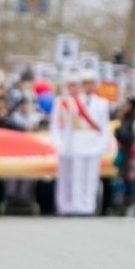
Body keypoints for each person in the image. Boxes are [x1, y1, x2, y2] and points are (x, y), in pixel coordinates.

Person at [50, 70, 110, 215]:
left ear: (95, 85)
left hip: (94, 142)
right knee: (77, 177)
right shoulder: (73, 102)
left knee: (91, 178)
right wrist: (64, 144)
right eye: (85, 83)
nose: (88, 86)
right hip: (78, 142)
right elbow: (69, 126)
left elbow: (104, 126)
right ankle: (77, 205)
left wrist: (103, 145)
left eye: (91, 83)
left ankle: (88, 206)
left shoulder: (103, 103)